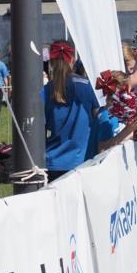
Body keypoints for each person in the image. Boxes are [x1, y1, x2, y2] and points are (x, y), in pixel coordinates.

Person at [42, 42, 99, 181]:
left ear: (51, 62)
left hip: (53, 162)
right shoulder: (87, 87)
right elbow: (97, 117)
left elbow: (40, 129)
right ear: (73, 59)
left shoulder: (45, 91)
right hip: (83, 160)